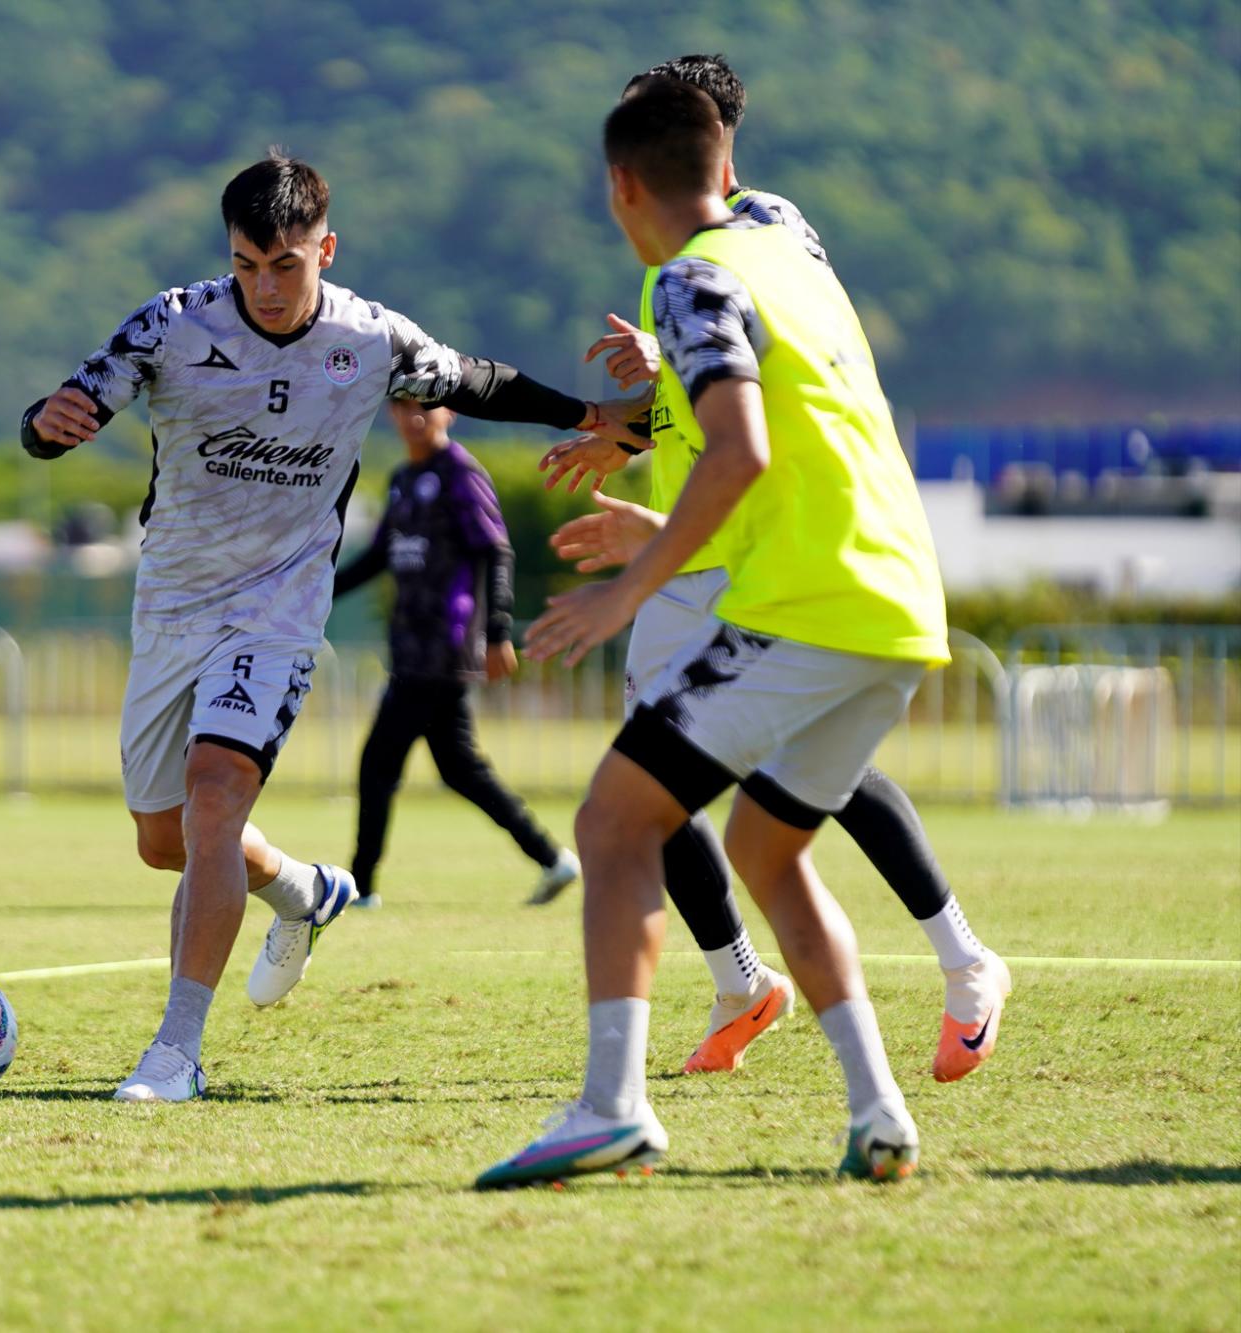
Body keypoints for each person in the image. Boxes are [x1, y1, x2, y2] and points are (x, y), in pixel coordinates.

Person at [22, 151, 637, 1103]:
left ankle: (175, 1052)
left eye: (287, 264)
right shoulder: (172, 323)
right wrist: (45, 424)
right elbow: (71, 403)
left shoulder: (371, 337)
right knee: (165, 838)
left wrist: (601, 415)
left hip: (277, 607)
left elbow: (477, 380)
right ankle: (305, 891)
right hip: (173, 601)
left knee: (215, 793)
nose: (265, 286)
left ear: (325, 250)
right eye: (246, 265)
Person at [477, 78, 949, 1186]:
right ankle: (878, 1112)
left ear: (619, 189)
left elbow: (738, 451)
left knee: (610, 823)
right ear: (728, 173)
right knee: (763, 850)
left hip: (807, 602)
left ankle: (609, 1106)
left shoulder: (686, 280)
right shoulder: (790, 252)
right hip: (898, 601)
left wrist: (630, 583)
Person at [539, 53, 1009, 1086]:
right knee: (753, 793)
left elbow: (752, 416)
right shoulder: (715, 249)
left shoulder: (737, 244)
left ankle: (697, 1034)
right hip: (719, 539)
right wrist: (627, 430)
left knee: (641, 799)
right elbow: (721, 402)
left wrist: (634, 565)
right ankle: (820, 1029)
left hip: (740, 547)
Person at [333, 400, 581, 912]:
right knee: (459, 768)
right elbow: (380, 554)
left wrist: (498, 631)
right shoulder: (403, 477)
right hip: (410, 645)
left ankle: (362, 887)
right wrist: (319, 591)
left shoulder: (460, 473)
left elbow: (497, 550)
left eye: (425, 405)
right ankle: (552, 857)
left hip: (445, 644)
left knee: (378, 762)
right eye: (401, 405)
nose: (412, 415)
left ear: (450, 412)